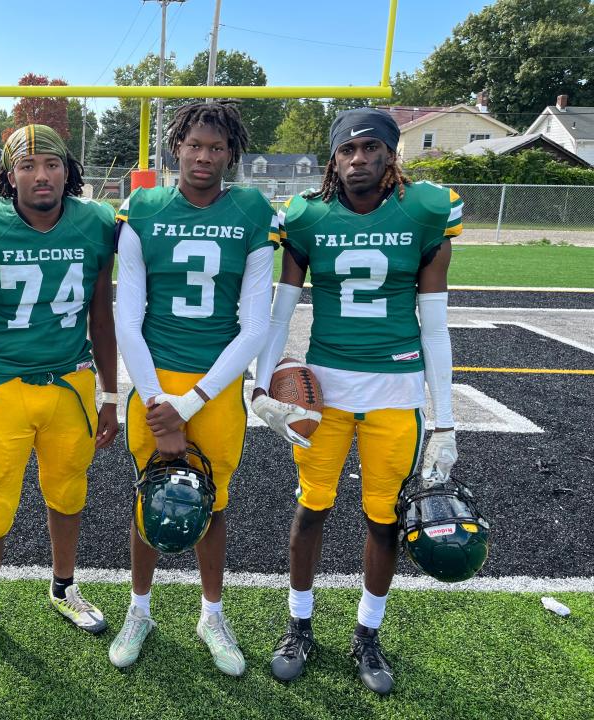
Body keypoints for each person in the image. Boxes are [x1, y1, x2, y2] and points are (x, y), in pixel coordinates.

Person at [252, 107, 462, 695]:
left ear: (391, 155)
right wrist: (261, 386)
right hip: (325, 395)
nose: (359, 160)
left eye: (372, 148)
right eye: (348, 150)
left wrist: (444, 421)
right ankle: (299, 624)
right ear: (333, 158)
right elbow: (280, 311)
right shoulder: (307, 216)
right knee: (311, 507)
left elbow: (436, 326)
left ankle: (368, 633)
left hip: (395, 394)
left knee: (383, 517)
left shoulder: (424, 211)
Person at [0, 124, 119, 672]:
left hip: (71, 385)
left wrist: (110, 393)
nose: (42, 175)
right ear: (9, 175)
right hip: (0, 388)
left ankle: (63, 589)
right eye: (29, 165)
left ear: (68, 171)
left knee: (67, 495)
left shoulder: (96, 224)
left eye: (52, 164)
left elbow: (101, 319)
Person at [109, 101, 278, 676]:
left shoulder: (251, 209)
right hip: (156, 382)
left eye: (215, 147)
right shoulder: (145, 208)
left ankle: (211, 613)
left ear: (231, 152)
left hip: (216, 385)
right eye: (194, 145)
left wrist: (190, 402)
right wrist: (159, 400)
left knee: (214, 501)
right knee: (150, 497)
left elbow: (255, 325)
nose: (203, 157)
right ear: (175, 145)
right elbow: (126, 318)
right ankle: (140, 609)